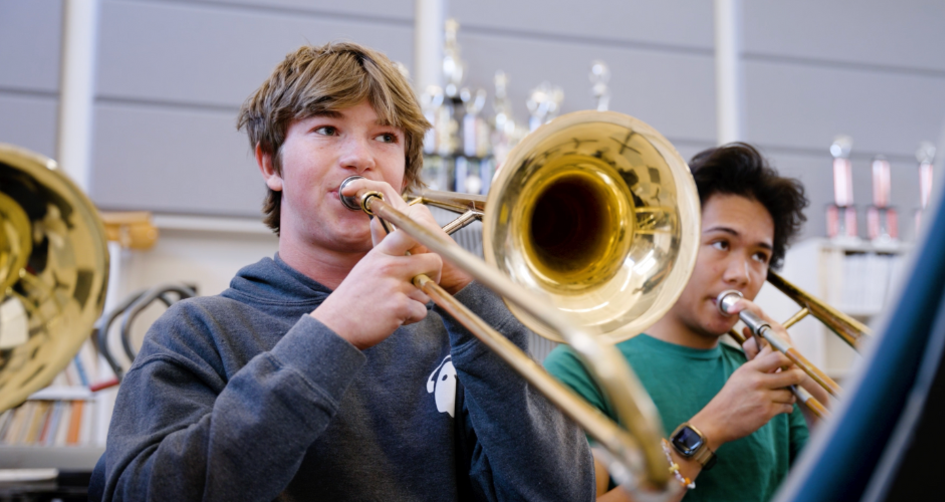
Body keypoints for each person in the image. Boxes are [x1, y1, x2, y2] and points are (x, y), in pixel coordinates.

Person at [95, 42, 593, 501]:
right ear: (271, 163)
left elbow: (556, 494)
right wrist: (332, 333)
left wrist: (471, 300)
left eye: (386, 136)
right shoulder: (197, 332)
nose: (361, 157)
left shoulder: (454, 331)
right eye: (327, 129)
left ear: (406, 173)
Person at [544, 143, 828, 501]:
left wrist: (806, 383)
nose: (742, 274)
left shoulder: (762, 377)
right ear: (669, 246)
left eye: (760, 255)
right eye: (722, 243)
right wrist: (708, 430)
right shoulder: (581, 368)